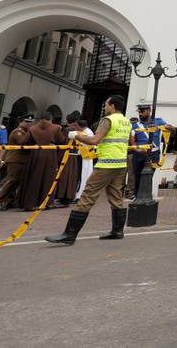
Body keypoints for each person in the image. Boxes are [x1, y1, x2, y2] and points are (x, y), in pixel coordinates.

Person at [45, 95, 133, 245]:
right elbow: (130, 142)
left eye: (106, 104)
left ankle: (69, 234)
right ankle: (117, 231)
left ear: (112, 105)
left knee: (87, 196)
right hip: (120, 164)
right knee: (116, 197)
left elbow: (93, 141)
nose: (105, 107)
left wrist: (76, 136)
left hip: (106, 164)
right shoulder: (126, 122)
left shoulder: (108, 120)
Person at [17, 111, 64, 210]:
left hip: (36, 153)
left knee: (33, 177)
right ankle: (46, 203)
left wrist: (32, 146)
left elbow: (23, 142)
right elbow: (61, 140)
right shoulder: (55, 128)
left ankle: (29, 203)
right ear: (50, 119)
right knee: (48, 178)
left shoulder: (32, 128)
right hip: (50, 154)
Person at [130, 103, 169, 200]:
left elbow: (170, 130)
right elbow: (132, 142)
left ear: (149, 111)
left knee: (149, 176)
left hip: (153, 153)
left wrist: (169, 128)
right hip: (139, 154)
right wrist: (138, 149)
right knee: (138, 175)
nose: (140, 113)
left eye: (142, 111)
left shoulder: (158, 121)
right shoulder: (135, 125)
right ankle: (137, 196)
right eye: (139, 111)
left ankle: (147, 195)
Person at [0, 116, 34, 210]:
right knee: (11, 181)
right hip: (15, 160)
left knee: (15, 182)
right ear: (20, 122)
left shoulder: (25, 132)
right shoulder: (18, 132)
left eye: (30, 122)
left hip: (20, 160)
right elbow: (23, 142)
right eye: (26, 121)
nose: (29, 124)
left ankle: (9, 201)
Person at [69, 120, 95, 198]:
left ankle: (79, 195)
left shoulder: (85, 133)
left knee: (82, 176)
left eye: (77, 126)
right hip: (86, 156)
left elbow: (84, 143)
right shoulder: (88, 131)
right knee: (84, 176)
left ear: (80, 126)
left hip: (85, 157)